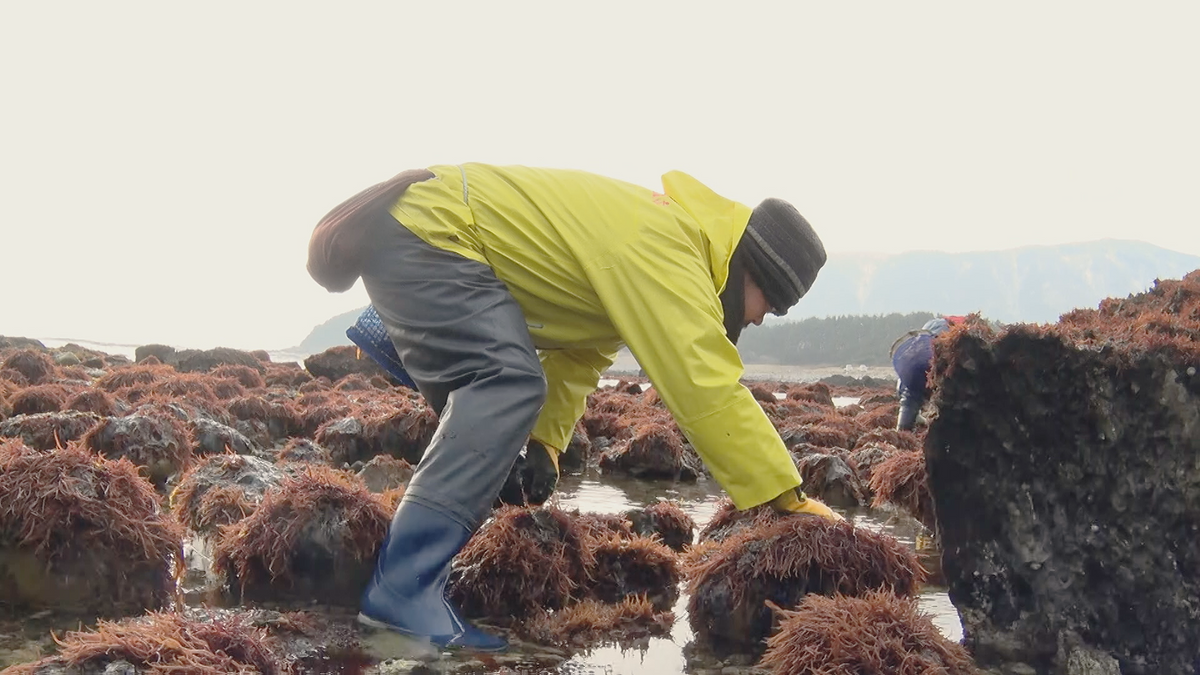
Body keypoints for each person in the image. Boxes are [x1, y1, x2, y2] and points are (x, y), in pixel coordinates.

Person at [306, 163, 841, 654]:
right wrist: (785, 496)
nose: (765, 319)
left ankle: (417, 581)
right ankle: (403, 591)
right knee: (505, 383)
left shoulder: (668, 244)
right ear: (755, 271)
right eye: (772, 303)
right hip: (433, 237)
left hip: (428, 238)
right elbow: (704, 385)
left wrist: (544, 442)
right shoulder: (670, 252)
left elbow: (581, 350)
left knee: (503, 407)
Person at [889, 315, 965, 431]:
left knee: (910, 394)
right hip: (938, 356)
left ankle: (903, 429)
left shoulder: (932, 326)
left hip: (916, 358)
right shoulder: (960, 330)